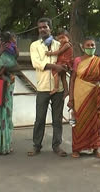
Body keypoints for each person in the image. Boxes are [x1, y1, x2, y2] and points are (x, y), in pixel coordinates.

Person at [28, 17, 67, 157]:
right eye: (40, 28)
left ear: (50, 28)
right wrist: (56, 66)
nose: (42, 29)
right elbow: (37, 63)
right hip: (43, 86)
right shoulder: (35, 45)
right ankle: (36, 145)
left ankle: (57, 145)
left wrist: (62, 67)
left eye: (45, 27)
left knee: (57, 119)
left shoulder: (59, 44)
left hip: (59, 87)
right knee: (40, 118)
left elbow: (65, 61)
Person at [67, 37, 100, 158]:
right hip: (79, 94)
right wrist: (71, 98)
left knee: (95, 121)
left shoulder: (99, 61)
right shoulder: (77, 60)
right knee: (78, 121)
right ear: (83, 47)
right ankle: (76, 148)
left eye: (92, 45)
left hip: (94, 94)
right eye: (88, 45)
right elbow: (72, 79)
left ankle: (95, 148)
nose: (90, 47)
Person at [46, 29, 73, 98]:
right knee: (63, 78)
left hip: (64, 62)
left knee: (55, 71)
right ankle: (66, 91)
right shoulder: (62, 44)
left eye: (63, 37)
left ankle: (56, 87)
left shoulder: (67, 44)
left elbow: (59, 52)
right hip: (63, 62)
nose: (61, 40)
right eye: (59, 39)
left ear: (68, 37)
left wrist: (50, 53)